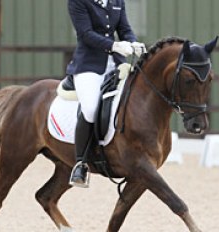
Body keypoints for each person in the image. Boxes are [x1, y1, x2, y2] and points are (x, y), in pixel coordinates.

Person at [67, 0, 146, 188]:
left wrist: (133, 42)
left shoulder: (117, 1)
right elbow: (85, 34)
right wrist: (114, 46)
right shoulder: (77, 2)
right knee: (91, 107)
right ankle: (81, 164)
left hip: (116, 64)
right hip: (89, 65)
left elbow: (124, 28)